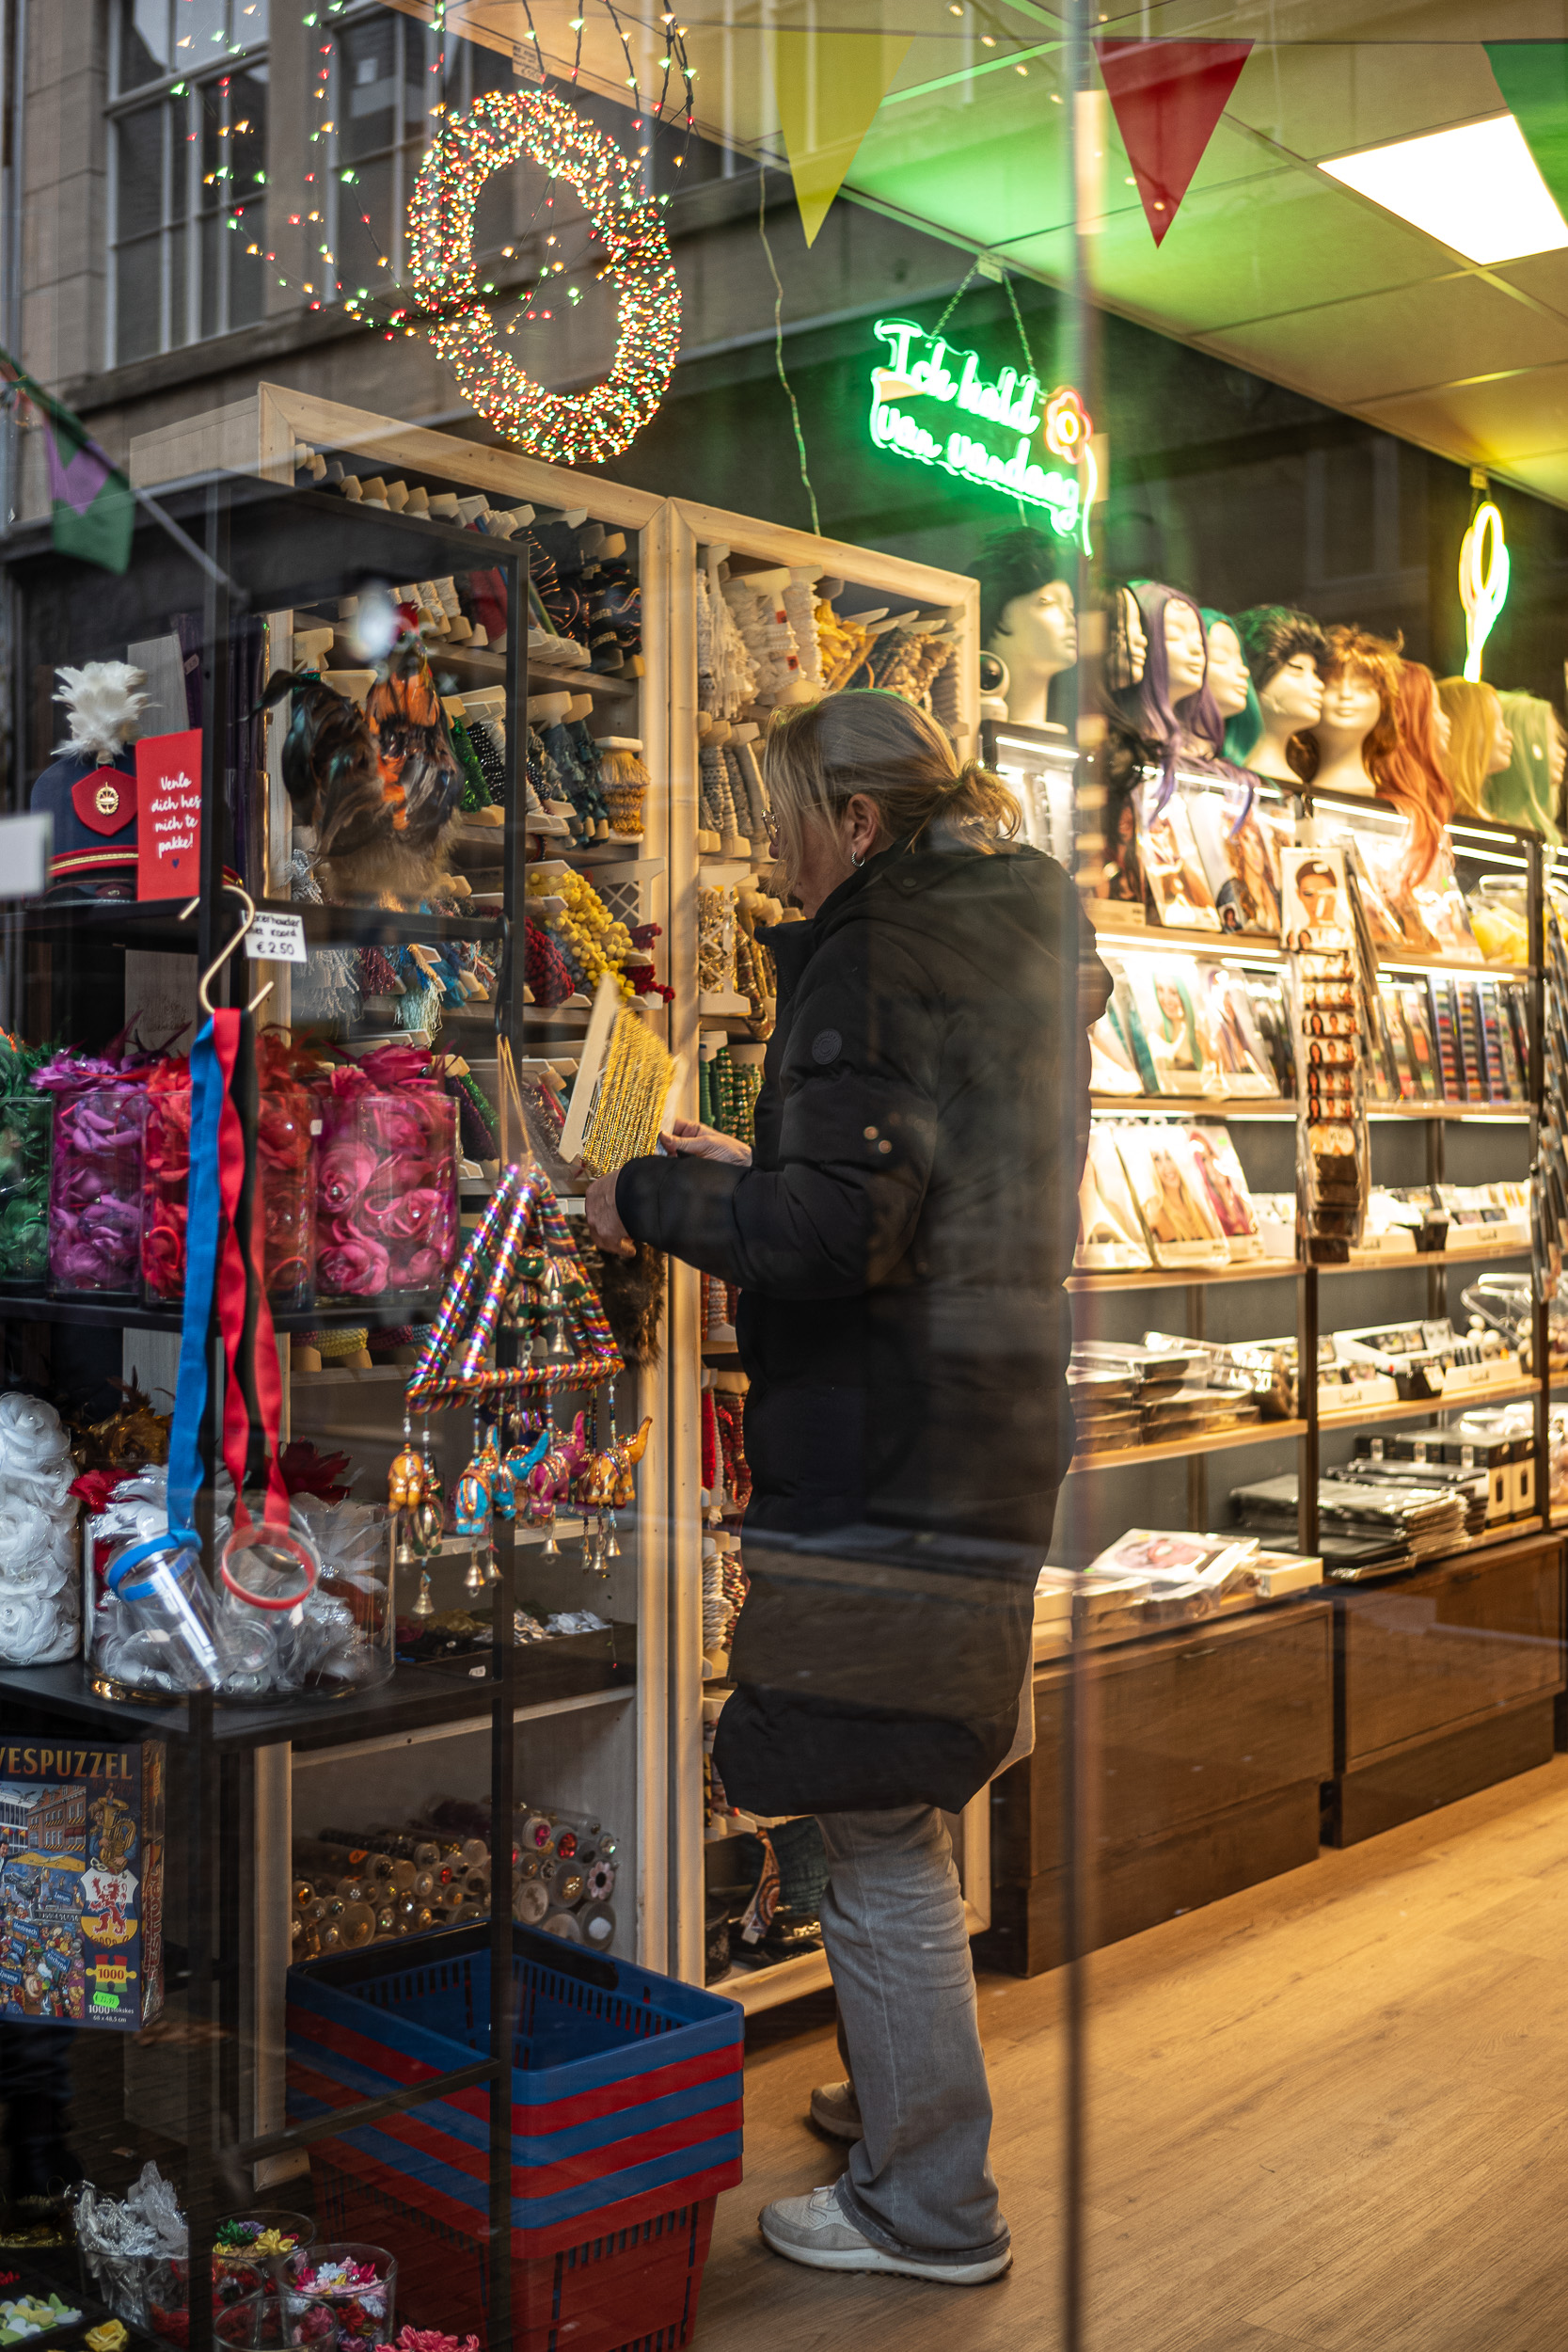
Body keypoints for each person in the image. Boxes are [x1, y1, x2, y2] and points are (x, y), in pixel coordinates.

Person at [585, 688, 1108, 2289]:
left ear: (860, 822)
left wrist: (643, 1195)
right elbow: (923, 1191)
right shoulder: (1009, 931)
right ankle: (900, 2090)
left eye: (787, 817)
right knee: (911, 1797)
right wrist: (771, 1172)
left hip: (889, 1450)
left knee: (876, 1823)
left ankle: (928, 2202)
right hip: (977, 1426)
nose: (771, 849)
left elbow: (837, 1240)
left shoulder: (872, 952)